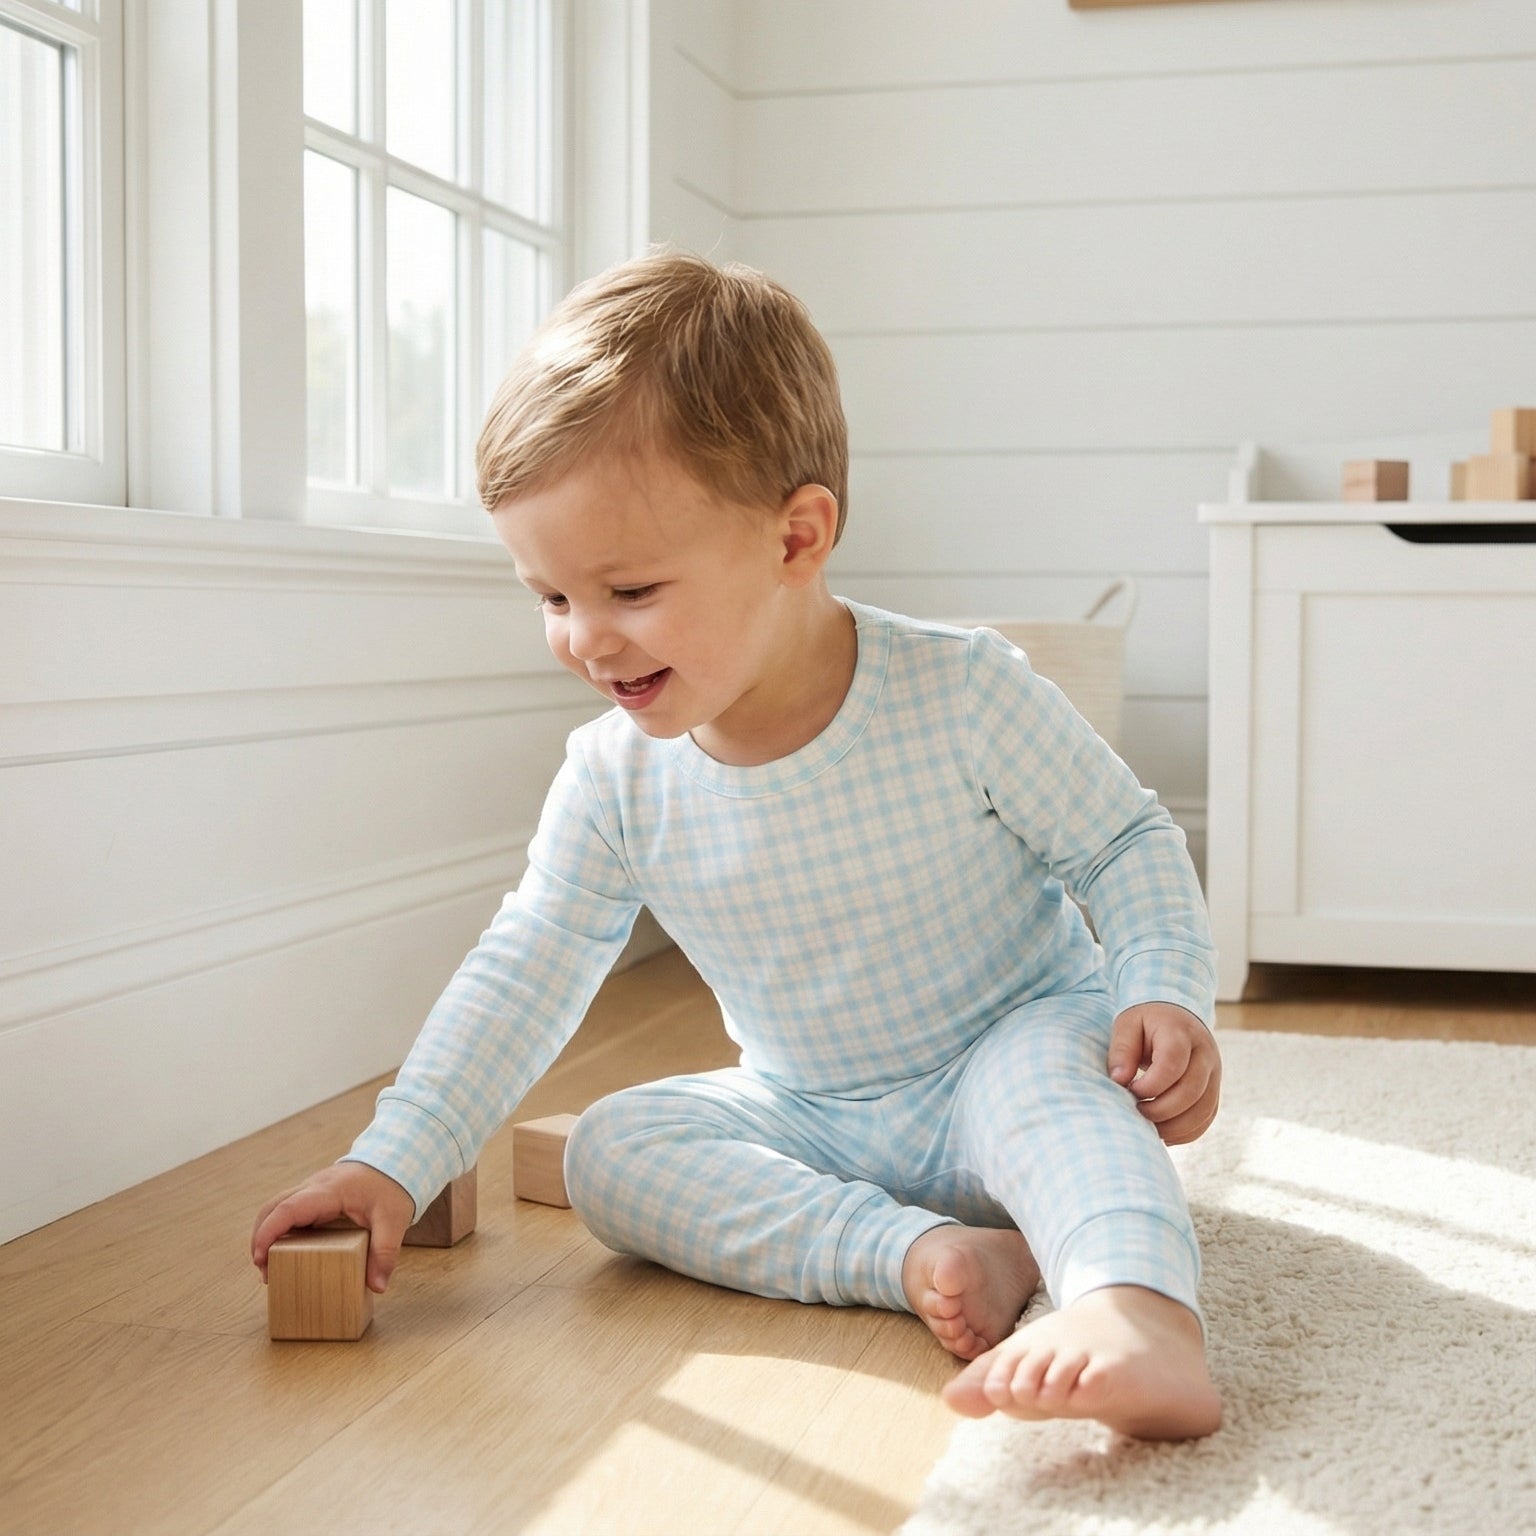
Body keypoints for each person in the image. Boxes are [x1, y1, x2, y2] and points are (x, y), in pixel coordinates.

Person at [251, 251, 1223, 1440]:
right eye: (551, 597)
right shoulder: (613, 778)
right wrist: (390, 1161)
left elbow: (1123, 841)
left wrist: (1164, 992)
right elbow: (525, 971)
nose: (586, 639)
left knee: (1051, 1095)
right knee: (614, 1151)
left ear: (796, 538)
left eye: (629, 591)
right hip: (810, 1111)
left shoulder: (962, 689)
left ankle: (1137, 1316)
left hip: (1010, 1053)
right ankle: (922, 1254)